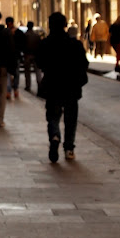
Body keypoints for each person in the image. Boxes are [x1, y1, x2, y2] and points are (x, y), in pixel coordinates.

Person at [37, 12, 89, 163]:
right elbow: (84, 64)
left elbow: (40, 63)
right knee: (71, 118)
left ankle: (54, 135)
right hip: (71, 87)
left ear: (50, 25)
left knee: (53, 116)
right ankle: (69, 149)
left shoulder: (45, 43)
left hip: (53, 86)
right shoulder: (75, 44)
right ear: (65, 25)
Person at [5, 16, 25, 99]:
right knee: (11, 74)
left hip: (13, 56)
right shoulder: (6, 32)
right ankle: (10, 90)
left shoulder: (17, 32)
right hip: (11, 56)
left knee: (14, 73)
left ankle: (14, 89)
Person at [23, 21, 42, 93]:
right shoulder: (37, 36)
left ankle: (28, 86)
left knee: (27, 72)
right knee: (37, 71)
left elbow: (23, 45)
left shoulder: (25, 35)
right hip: (36, 55)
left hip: (27, 55)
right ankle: (39, 85)